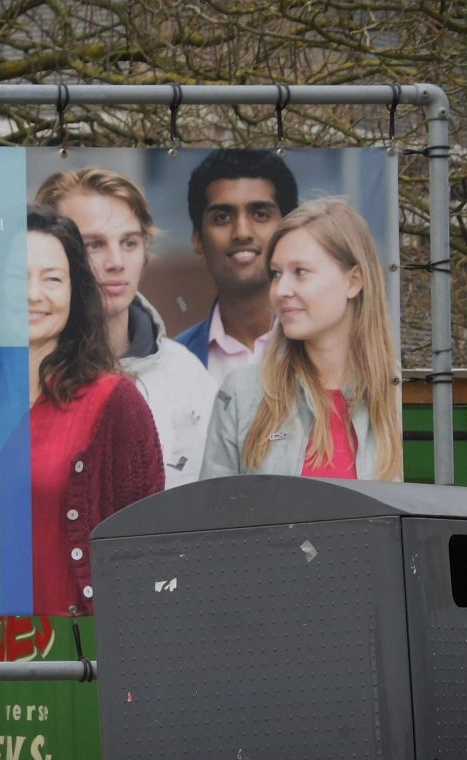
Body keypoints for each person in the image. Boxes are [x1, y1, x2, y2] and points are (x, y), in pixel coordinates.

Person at [35, 166, 217, 488]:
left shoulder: (185, 373)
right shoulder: (23, 374)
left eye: (129, 243)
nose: (116, 261)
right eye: (93, 245)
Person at [200, 198, 402, 481]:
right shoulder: (241, 394)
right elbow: (213, 516)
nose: (281, 290)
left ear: (353, 281)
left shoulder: (399, 395)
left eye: (301, 272)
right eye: (276, 274)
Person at [26, 204, 164, 615]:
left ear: (74, 291)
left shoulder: (115, 402)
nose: (33, 294)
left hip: (78, 659)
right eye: (16, 278)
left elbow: (147, 552)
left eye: (52, 279)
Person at [176, 149, 299, 382]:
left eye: (260, 214)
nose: (242, 232)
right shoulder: (173, 366)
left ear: (289, 232)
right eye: (222, 217)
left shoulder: (326, 352)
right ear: (198, 241)